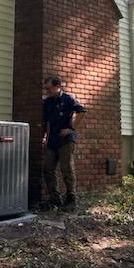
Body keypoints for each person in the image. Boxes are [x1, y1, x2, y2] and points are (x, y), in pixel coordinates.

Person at [42, 76, 87, 210]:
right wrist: (45, 137)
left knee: (67, 169)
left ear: (58, 86)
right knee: (48, 169)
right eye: (46, 89)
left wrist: (71, 128)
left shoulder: (68, 99)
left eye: (49, 89)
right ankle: (55, 199)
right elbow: (47, 122)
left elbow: (82, 111)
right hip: (52, 141)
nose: (47, 92)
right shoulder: (47, 102)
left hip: (66, 141)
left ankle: (71, 199)